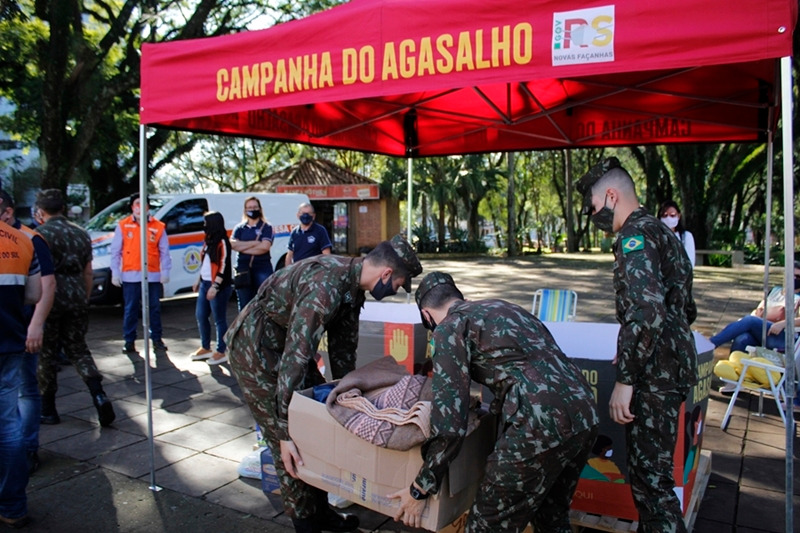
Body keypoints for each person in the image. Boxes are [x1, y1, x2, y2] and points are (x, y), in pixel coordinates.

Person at [225, 234, 422, 533]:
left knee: (318, 415)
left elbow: (344, 355)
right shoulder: (326, 287)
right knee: (291, 441)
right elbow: (296, 356)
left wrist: (349, 398)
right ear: (386, 273)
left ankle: (321, 513)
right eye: (398, 283)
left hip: (285, 348)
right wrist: (283, 429)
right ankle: (306, 523)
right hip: (255, 348)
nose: (396, 290)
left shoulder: (353, 288)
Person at [390, 272, 599, 532]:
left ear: (426, 316)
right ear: (459, 298)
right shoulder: (504, 307)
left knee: (487, 525)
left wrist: (420, 488)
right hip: (585, 411)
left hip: (539, 423)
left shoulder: (448, 328)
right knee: (551, 515)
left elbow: (450, 425)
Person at [576, 157, 698, 533]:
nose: (594, 217)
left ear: (612, 195)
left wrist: (627, 378)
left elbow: (645, 312)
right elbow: (684, 310)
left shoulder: (635, 237)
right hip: (670, 364)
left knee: (651, 486)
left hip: (654, 374)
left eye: (594, 207)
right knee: (654, 479)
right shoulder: (664, 234)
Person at [34, 189, 116, 428]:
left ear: (41, 211)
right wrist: (85, 298)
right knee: (78, 348)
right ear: (63, 208)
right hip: (77, 293)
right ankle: (98, 394)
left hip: (51, 296)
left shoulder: (40, 235)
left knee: (47, 353)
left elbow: (41, 274)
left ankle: (48, 408)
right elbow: (88, 271)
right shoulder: (81, 234)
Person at [0, 190, 55, 474]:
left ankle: (29, 449)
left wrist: (36, 325)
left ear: (9, 212)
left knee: (26, 392)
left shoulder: (31, 240)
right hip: (14, 330)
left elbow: (47, 286)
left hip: (21, 330)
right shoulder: (22, 240)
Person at [0, 218, 41, 529]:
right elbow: (33, 294)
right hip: (10, 340)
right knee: (9, 425)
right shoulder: (23, 240)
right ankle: (14, 506)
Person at [110, 193, 172, 354]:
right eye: (136, 203)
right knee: (130, 308)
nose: (139, 207)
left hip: (152, 275)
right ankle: (129, 340)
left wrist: (165, 271)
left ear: (148, 207)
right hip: (130, 275)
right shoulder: (123, 225)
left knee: (154, 308)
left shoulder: (158, 226)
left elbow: (164, 251)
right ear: (132, 207)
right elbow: (115, 251)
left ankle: (157, 339)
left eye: (143, 204)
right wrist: (115, 272)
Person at [709, 261, 800, 354]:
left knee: (750, 320)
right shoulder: (775, 291)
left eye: (798, 277)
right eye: (791, 275)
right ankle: (732, 367)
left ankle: (710, 344)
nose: (794, 279)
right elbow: (759, 309)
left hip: (784, 336)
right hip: (763, 330)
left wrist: (782, 324)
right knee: (742, 338)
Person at [191, 212, 233, 365]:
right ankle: (205, 347)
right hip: (205, 283)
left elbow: (223, 265)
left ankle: (221, 350)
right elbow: (204, 263)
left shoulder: (223, 242)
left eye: (205, 223)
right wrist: (198, 280)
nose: (203, 226)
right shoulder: (208, 241)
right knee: (201, 315)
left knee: (219, 318)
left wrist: (215, 286)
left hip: (218, 286)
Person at [229, 196, 274, 312]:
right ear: (245, 210)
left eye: (254, 207)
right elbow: (232, 245)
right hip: (243, 269)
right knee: (244, 306)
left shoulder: (267, 227)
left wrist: (242, 247)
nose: (252, 209)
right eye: (249, 207)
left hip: (262, 268)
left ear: (259, 208)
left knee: (264, 302)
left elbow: (264, 247)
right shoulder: (239, 228)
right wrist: (254, 243)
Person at [658, 200, 695, 268]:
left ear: (679, 216)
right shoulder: (655, 236)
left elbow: (690, 263)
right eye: (665, 215)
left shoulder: (686, 237)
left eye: (672, 215)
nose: (668, 218)